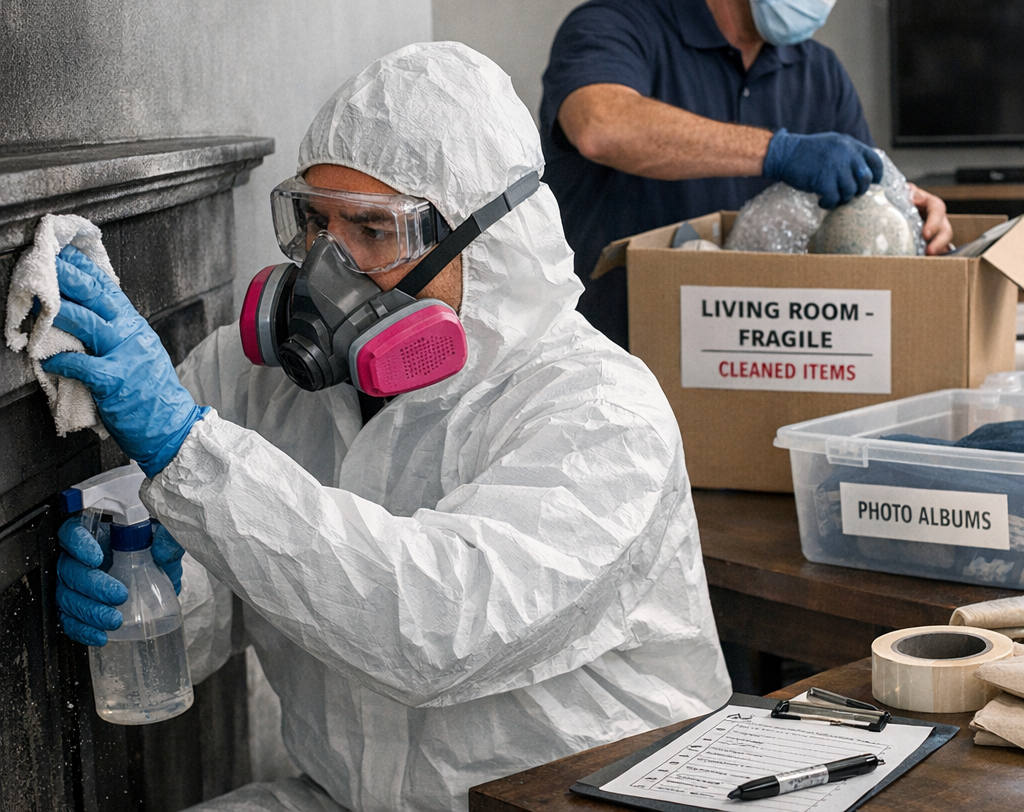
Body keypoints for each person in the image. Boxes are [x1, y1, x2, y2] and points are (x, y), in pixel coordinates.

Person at [45, 42, 731, 812]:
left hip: (581, 801)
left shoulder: (600, 411)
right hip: (350, 795)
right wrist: (164, 592)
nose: (326, 270)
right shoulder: (256, 379)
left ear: (490, 242)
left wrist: (191, 458)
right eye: (314, 224)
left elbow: (438, 628)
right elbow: (257, 583)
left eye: (375, 233)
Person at [540, 0, 954, 349]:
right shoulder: (618, 25)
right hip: (614, 354)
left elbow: (853, 203)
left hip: (761, 354)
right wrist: (779, 152)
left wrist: (902, 204)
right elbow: (600, 125)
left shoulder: (820, 73)